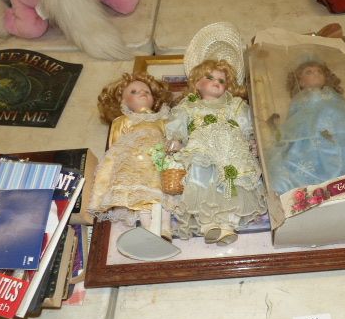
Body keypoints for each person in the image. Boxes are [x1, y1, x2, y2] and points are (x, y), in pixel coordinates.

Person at [165, 59, 266, 245]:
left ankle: (228, 224)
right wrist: (176, 139)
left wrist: (253, 141)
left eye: (221, 80)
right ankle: (208, 224)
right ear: (197, 83)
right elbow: (178, 124)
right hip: (203, 149)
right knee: (204, 180)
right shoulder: (189, 105)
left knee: (233, 184)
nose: (216, 82)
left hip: (232, 150)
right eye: (210, 78)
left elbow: (247, 126)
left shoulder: (235, 105)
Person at [267, 60, 345, 195]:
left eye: (319, 71)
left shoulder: (333, 95)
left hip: (342, 133)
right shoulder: (300, 99)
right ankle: (324, 188)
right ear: (300, 82)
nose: (316, 74)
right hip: (312, 135)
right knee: (313, 159)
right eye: (309, 72)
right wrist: (283, 132)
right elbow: (295, 119)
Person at [88, 72, 172, 238]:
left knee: (164, 195)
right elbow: (115, 146)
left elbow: (170, 137)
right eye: (134, 92)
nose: (142, 93)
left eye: (147, 91)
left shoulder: (162, 119)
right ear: (123, 101)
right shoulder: (123, 121)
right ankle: (149, 230)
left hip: (158, 161)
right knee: (142, 199)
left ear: (154, 98)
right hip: (134, 164)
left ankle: (165, 228)